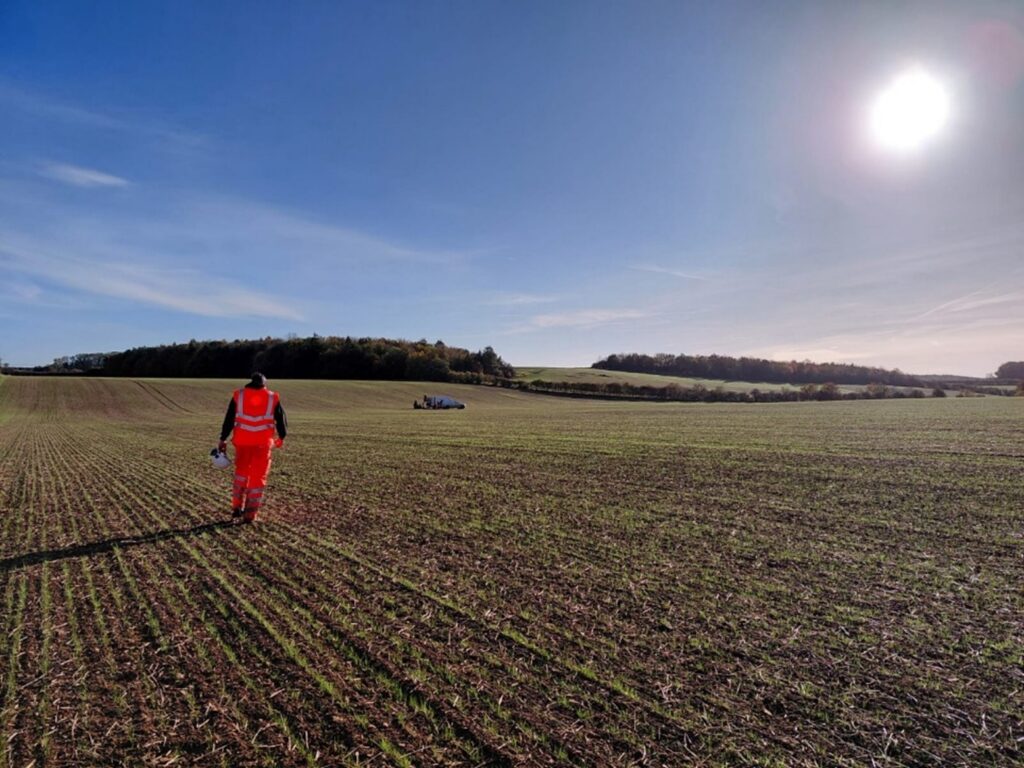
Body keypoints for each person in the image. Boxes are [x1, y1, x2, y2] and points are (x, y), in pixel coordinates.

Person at [218, 373, 287, 522]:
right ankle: (250, 514)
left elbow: (229, 419)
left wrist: (223, 439)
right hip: (262, 445)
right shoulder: (272, 397)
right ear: (264, 384)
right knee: (257, 478)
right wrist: (281, 437)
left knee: (241, 474)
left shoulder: (239, 396)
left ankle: (236, 507)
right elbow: (281, 420)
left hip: (242, 443)